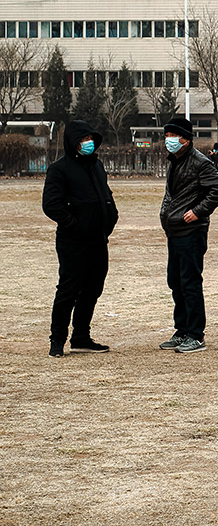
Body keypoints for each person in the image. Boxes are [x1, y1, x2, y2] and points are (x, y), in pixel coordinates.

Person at [41, 120, 119, 358]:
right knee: (68, 289)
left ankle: (81, 337)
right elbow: (51, 205)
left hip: (98, 240)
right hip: (73, 242)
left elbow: (105, 195)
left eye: (90, 139)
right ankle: (57, 340)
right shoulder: (60, 169)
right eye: (83, 140)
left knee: (93, 288)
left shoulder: (97, 166)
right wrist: (74, 225)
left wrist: (110, 218)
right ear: (72, 142)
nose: (88, 143)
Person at [158, 117, 218, 354]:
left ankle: (196, 335)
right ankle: (182, 330)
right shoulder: (175, 161)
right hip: (175, 231)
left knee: (190, 283)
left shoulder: (200, 162)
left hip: (191, 233)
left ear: (186, 140)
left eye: (173, 136)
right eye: (166, 135)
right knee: (176, 282)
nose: (168, 140)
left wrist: (198, 212)